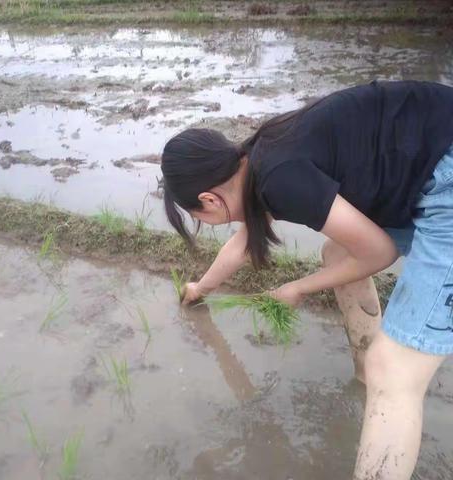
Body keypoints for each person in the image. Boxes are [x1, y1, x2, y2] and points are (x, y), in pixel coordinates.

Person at [160, 80, 453, 480]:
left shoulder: (280, 177)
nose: (206, 221)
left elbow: (379, 253)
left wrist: (297, 288)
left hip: (444, 175)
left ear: (209, 200)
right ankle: (366, 377)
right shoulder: (258, 158)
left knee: (396, 370)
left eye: (198, 217)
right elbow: (242, 242)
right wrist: (201, 289)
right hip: (423, 166)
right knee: (337, 255)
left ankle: (380, 381)